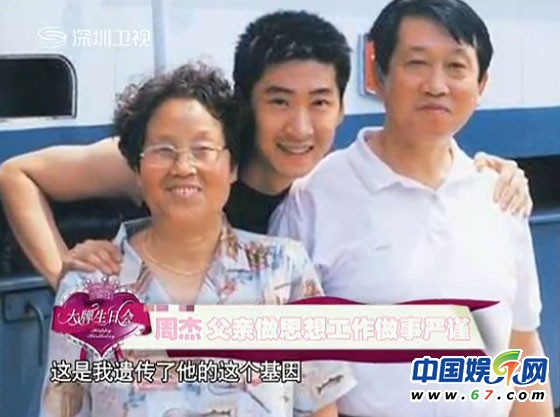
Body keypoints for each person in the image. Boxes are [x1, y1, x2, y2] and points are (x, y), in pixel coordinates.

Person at [0, 10, 530, 290]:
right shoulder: (186, 162)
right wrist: (63, 276)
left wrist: (487, 175)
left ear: (341, 107)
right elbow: (18, 174)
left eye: (319, 103)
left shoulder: (329, 187)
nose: (300, 127)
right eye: (279, 101)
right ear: (246, 100)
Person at [270, 1, 553, 417]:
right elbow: (288, 368)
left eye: (456, 67)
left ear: (481, 85)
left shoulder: (499, 197)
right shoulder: (314, 200)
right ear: (377, 75)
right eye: (417, 63)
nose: (436, 85)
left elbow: (521, 344)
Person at [39, 62, 355, 417]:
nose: (183, 167)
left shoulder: (285, 271)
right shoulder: (89, 289)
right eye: (163, 150)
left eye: (203, 149)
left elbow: (321, 406)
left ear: (232, 167)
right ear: (137, 169)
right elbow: (61, 407)